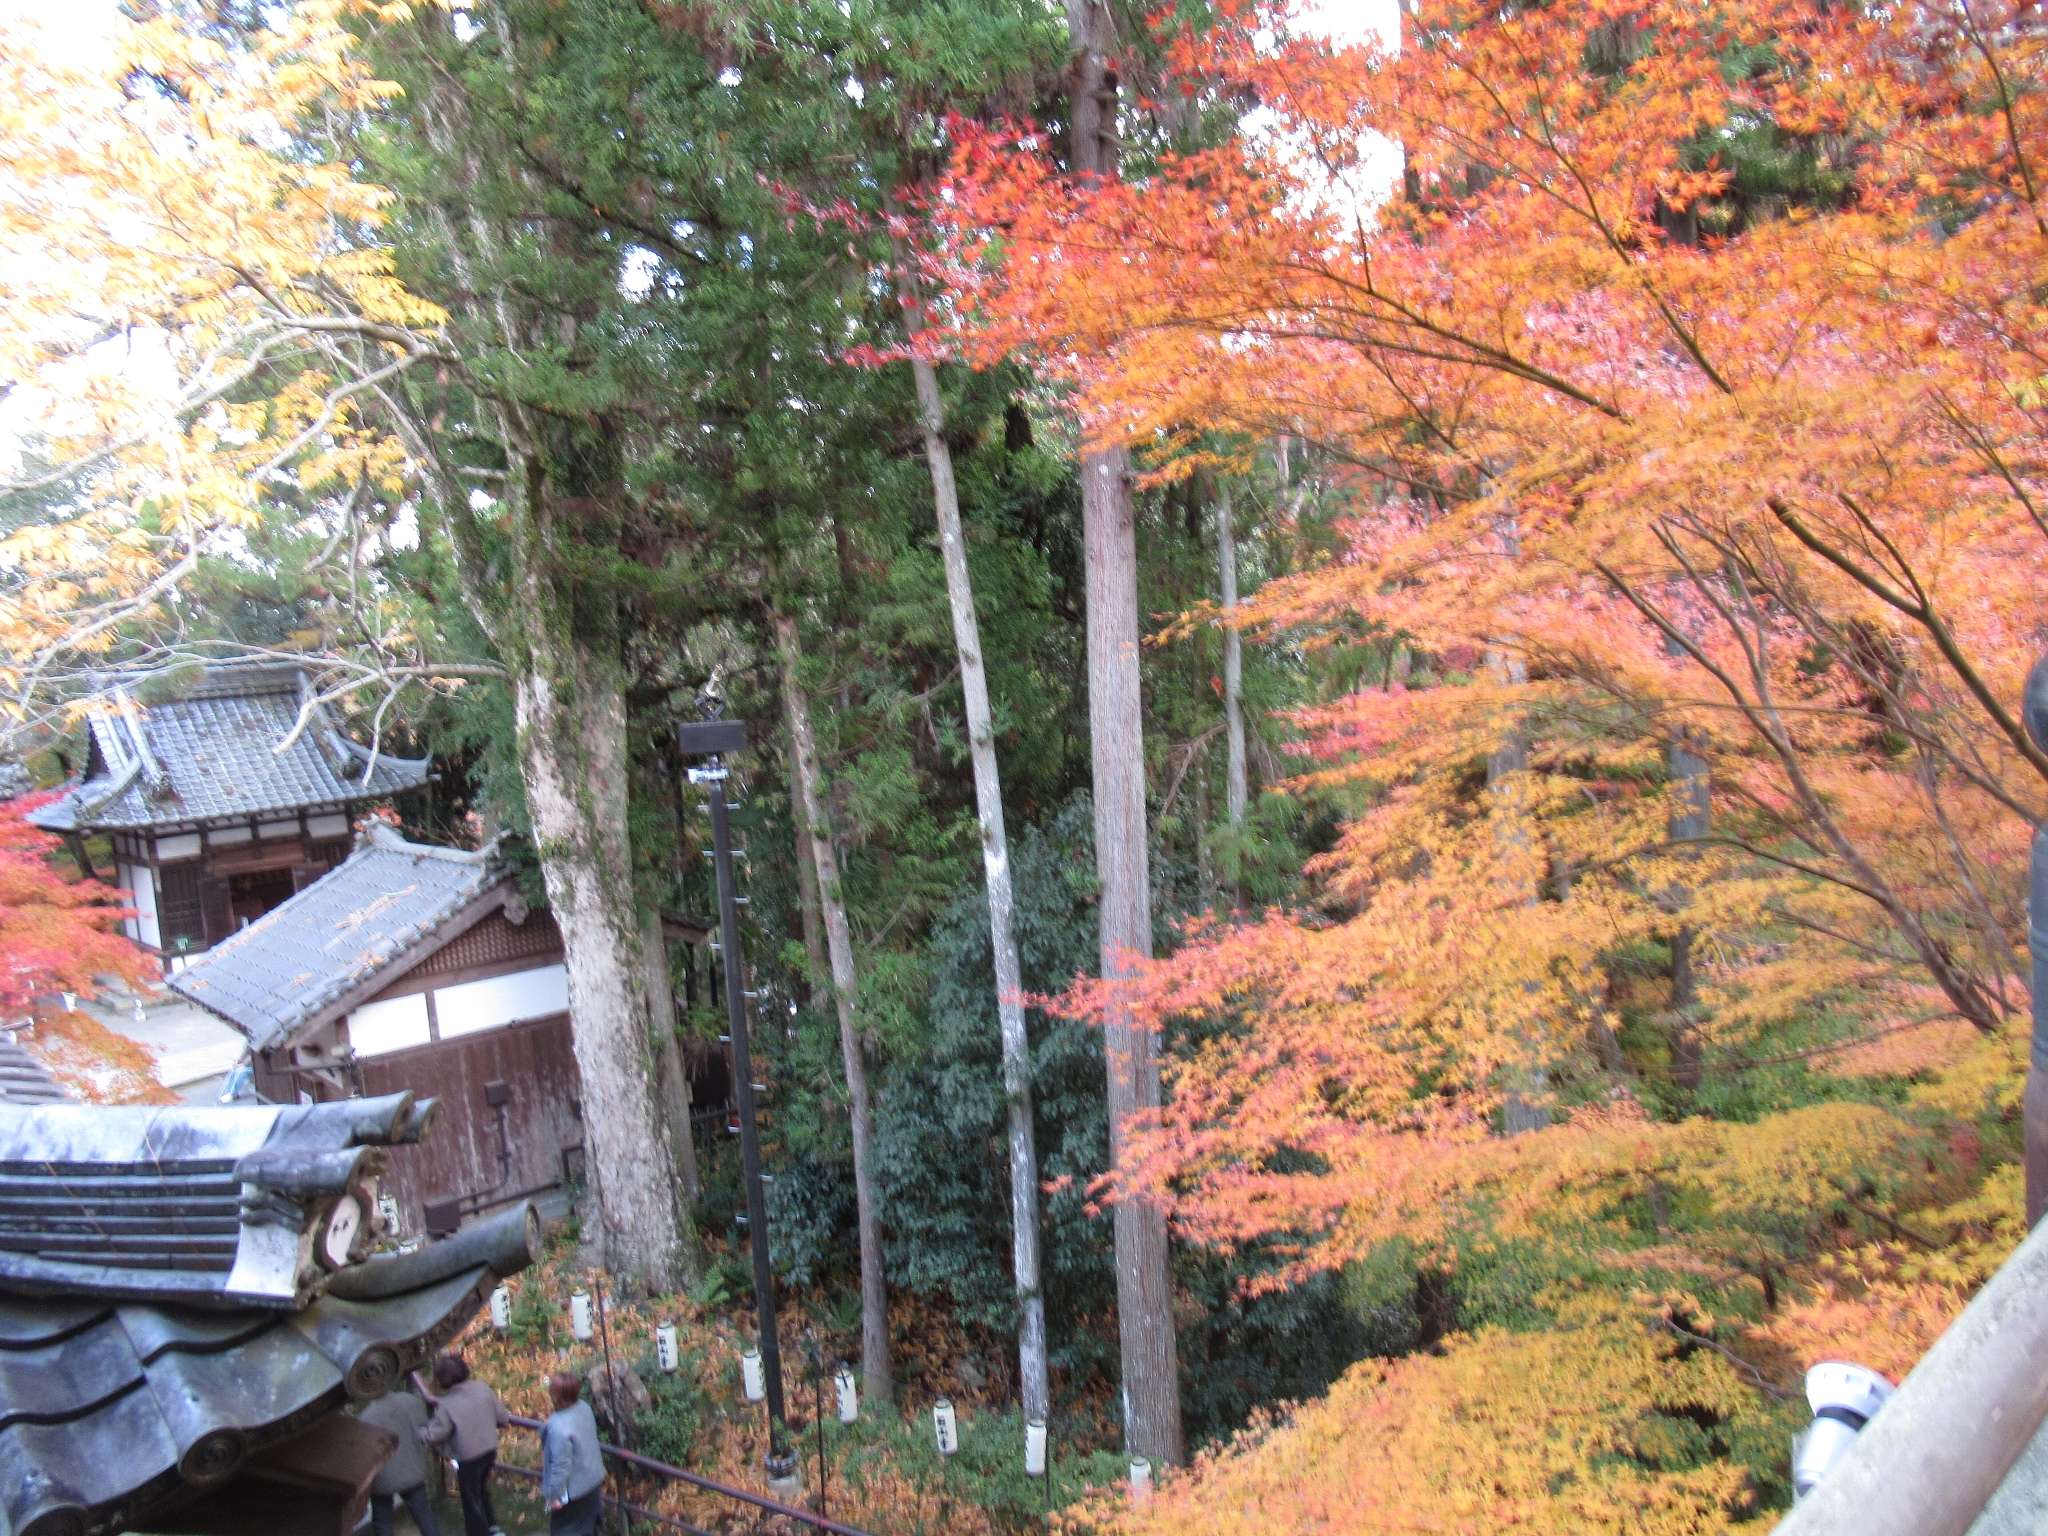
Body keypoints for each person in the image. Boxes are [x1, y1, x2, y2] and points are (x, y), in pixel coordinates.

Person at [420, 1353, 509, 1536]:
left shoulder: (447, 1404)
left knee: (470, 1499)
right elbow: (503, 1418)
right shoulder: (482, 1388)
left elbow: (437, 1433)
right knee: (481, 1489)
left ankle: (479, 1533)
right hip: (490, 1449)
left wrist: (421, 1432)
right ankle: (493, 1527)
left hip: (469, 1457)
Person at [357, 1387, 443, 1536]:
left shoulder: (365, 1418)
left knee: (383, 1522)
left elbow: (364, 1456)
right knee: (424, 1517)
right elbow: (425, 1429)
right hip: (413, 1473)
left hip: (383, 1481)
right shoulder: (410, 1401)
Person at [539, 1372, 605, 1536]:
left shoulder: (558, 1427)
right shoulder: (584, 1408)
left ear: (556, 1396)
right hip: (593, 1480)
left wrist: (554, 1496)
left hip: (574, 1491)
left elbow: (561, 1466)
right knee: (589, 1528)